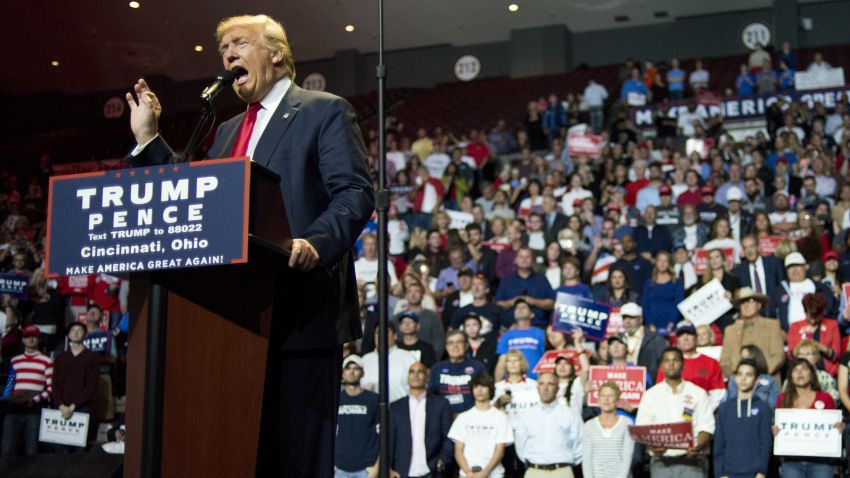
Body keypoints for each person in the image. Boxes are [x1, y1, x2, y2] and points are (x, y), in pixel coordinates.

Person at [124, 15, 375, 476]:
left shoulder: (323, 110)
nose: (227, 56)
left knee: (294, 457)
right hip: (229, 322)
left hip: (300, 312)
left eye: (239, 43)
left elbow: (356, 193)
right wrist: (148, 140)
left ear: (276, 53)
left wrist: (316, 243)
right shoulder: (223, 132)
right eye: (222, 50)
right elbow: (189, 201)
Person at [636, 347, 715, 478]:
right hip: (661, 462)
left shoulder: (698, 393)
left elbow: (706, 426)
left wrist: (698, 446)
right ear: (661, 366)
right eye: (667, 361)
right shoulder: (650, 395)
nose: (671, 364)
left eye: (675, 360)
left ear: (683, 364)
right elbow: (643, 427)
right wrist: (653, 445)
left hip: (693, 462)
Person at [773, 358, 844, 478]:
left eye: (804, 368)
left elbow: (834, 426)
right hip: (791, 462)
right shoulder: (783, 398)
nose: (799, 372)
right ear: (790, 376)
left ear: (812, 374)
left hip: (820, 462)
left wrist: (839, 428)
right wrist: (775, 431)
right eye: (795, 370)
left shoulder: (825, 398)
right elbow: (778, 426)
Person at [389, 362, 454, 478]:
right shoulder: (396, 407)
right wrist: (389, 468)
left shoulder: (441, 404)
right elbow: (390, 440)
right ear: (407, 377)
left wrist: (442, 460)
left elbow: (449, 436)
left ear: (427, 377)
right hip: (402, 472)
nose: (416, 375)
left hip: (431, 471)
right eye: (412, 372)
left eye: (420, 372)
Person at [514, 372, 583, 478]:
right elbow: (520, 446)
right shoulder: (527, 415)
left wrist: (566, 465)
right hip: (534, 472)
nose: (545, 388)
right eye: (542, 384)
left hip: (563, 472)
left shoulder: (570, 414)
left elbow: (580, 444)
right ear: (537, 388)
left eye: (550, 384)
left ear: (557, 389)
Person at [713, 359, 772, 478]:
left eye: (748, 375)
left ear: (756, 380)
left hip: (754, 474)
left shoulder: (763, 408)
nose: (743, 379)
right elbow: (719, 443)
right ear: (735, 378)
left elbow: (765, 442)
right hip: (728, 474)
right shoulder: (724, 408)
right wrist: (720, 473)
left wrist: (762, 471)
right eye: (740, 374)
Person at [448, 374, 514, 478]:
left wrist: (485, 472)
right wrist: (468, 472)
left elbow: (500, 450)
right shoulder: (463, 417)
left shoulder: (501, 417)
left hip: (494, 474)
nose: (479, 390)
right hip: (467, 475)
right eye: (476, 386)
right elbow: (458, 451)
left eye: (483, 386)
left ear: (490, 389)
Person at [1, 326, 52, 456]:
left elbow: (51, 389)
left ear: (39, 339)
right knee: (7, 449)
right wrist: (5, 399)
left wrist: (34, 400)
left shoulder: (47, 361)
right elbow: (10, 385)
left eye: (34, 336)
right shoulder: (15, 361)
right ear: (23, 340)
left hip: (33, 410)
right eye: (27, 336)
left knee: (31, 450)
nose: (31, 339)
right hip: (13, 408)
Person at [52, 322, 100, 452]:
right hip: (61, 408)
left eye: (79, 330)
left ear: (85, 334)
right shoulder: (61, 358)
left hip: (82, 408)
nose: (76, 332)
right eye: (73, 330)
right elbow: (55, 385)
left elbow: (91, 386)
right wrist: (61, 405)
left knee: (80, 450)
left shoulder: (92, 357)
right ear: (68, 334)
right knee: (60, 450)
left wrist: (73, 406)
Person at [719, 288, 785, 380]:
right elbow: (725, 361)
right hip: (738, 384)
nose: (746, 305)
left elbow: (778, 356)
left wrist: (759, 375)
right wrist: (739, 378)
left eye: (750, 301)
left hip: (767, 381)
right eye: (742, 302)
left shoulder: (771, 325)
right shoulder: (730, 330)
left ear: (759, 305)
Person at [657, 322, 725, 410]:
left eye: (689, 334)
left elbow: (718, 392)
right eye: (681, 335)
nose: (685, 338)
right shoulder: (668, 364)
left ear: (696, 337)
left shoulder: (711, 363)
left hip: (704, 413)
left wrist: (703, 412)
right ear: (677, 340)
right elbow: (660, 391)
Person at [493, 350, 539, 478]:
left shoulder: (534, 385)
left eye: (516, 360)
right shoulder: (497, 387)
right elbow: (488, 413)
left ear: (522, 363)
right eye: (509, 361)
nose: (512, 364)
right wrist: (498, 403)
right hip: (505, 435)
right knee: (508, 470)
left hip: (529, 435)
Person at [335, 355, 379, 478]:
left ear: (362, 373)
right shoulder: (336, 399)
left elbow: (383, 435)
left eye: (356, 368)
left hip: (366, 469)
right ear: (343, 373)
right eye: (348, 368)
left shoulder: (373, 400)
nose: (352, 372)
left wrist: (376, 467)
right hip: (340, 469)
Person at [768, 252, 836, 332]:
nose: (794, 269)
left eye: (798, 265)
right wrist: (779, 332)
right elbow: (770, 314)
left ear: (805, 267)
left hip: (817, 334)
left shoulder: (820, 288)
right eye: (791, 267)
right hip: (789, 336)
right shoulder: (778, 291)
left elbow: (831, 310)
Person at [581, 382, 635, 478]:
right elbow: (587, 460)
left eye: (610, 396)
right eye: (603, 395)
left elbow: (627, 459)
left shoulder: (627, 423)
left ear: (617, 399)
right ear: (598, 399)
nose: (606, 399)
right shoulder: (589, 426)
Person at [495, 247, 556, 328]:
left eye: (527, 257)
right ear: (516, 260)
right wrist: (512, 302)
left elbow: (551, 303)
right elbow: (498, 304)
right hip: (511, 327)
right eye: (521, 257)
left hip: (538, 326)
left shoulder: (541, 279)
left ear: (532, 260)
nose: (524, 260)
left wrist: (534, 301)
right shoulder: (506, 281)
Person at [429, 330, 487, 414]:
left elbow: (485, 393)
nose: (455, 346)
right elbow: (431, 396)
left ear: (466, 345)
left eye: (459, 342)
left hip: (472, 417)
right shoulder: (437, 368)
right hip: (443, 416)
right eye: (451, 343)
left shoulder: (478, 367)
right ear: (446, 347)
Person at [362, 323, 418, 403]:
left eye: (385, 332)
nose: (380, 335)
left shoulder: (407, 357)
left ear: (395, 336)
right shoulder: (365, 360)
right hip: (371, 410)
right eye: (377, 332)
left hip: (399, 410)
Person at [788, 293, 841, 376]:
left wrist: (819, 346)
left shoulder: (832, 325)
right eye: (810, 317)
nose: (813, 321)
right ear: (805, 311)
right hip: (802, 374)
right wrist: (801, 345)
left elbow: (836, 356)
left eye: (816, 317)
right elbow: (791, 356)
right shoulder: (795, 326)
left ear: (823, 312)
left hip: (827, 374)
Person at [494, 300, 547, 379]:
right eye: (517, 308)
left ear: (532, 314)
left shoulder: (540, 333)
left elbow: (546, 358)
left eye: (523, 307)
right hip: (512, 382)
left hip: (536, 381)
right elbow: (501, 362)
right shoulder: (506, 335)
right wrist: (497, 386)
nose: (520, 309)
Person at [619, 302, 667, 380]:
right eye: (624, 318)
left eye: (631, 317)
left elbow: (663, 364)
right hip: (623, 383)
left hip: (648, 384)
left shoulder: (655, 339)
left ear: (640, 319)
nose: (627, 321)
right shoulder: (618, 339)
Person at [641, 251, 684, 337]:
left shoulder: (677, 281)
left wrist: (672, 323)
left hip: (671, 324)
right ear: (656, 262)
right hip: (653, 324)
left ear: (669, 263)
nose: (662, 264)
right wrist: (650, 324)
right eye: (660, 260)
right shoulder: (649, 283)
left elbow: (679, 303)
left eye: (665, 261)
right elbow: (645, 305)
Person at [452, 275, 503, 343]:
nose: (476, 287)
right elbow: (452, 331)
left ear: (487, 289)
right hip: (468, 351)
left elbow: (510, 327)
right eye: (473, 284)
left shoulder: (497, 310)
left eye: (480, 284)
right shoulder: (462, 311)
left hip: (492, 350)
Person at [612, 235, 653, 301]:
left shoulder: (645, 263)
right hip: (621, 302)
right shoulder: (616, 265)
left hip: (641, 300)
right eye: (623, 242)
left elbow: (650, 283)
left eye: (629, 241)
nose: (626, 244)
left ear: (635, 244)